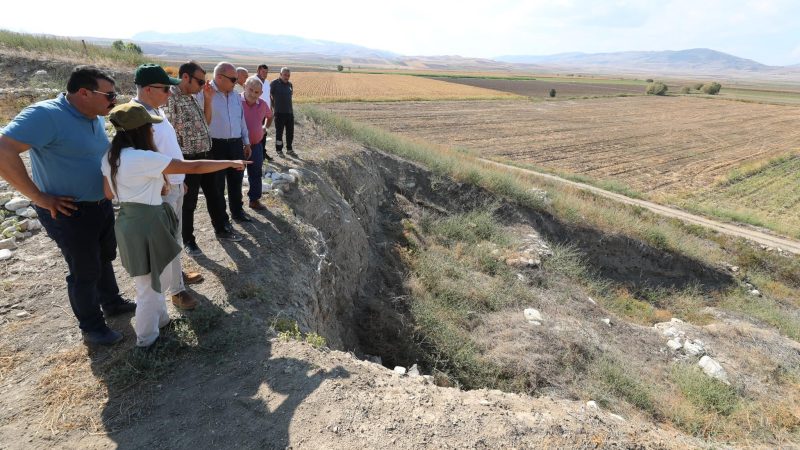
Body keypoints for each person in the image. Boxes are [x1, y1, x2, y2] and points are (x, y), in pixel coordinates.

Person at [0, 66, 135, 345]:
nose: (114, 100)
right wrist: (38, 197)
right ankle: (93, 328)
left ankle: (112, 302)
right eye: (109, 94)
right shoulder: (46, 115)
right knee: (84, 270)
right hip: (69, 211)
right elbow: (3, 149)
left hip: (99, 204)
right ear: (84, 93)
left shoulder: (93, 114)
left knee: (103, 257)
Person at [101, 102, 249, 349]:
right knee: (148, 287)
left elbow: (108, 193)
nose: (152, 131)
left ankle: (161, 322)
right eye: (150, 127)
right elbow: (194, 167)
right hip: (148, 223)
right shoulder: (142, 157)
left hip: (129, 221)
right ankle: (147, 342)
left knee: (152, 278)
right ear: (140, 130)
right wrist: (230, 162)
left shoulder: (110, 156)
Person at [131, 64, 202, 311]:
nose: (170, 93)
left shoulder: (156, 111)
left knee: (177, 236)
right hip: (160, 190)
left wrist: (179, 182)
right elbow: (144, 157)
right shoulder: (137, 116)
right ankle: (177, 292)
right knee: (168, 241)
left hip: (174, 185)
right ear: (148, 89)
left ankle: (178, 278)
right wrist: (167, 182)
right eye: (165, 89)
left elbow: (168, 148)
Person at [165, 61, 241, 252]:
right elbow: (168, 133)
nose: (202, 86)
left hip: (206, 153)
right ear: (185, 77)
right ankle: (188, 239)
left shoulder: (193, 96)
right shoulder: (170, 98)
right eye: (200, 82)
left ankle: (222, 227)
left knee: (215, 194)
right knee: (189, 201)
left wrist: (207, 99)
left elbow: (206, 123)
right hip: (187, 159)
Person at [196, 62, 253, 223]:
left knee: (236, 180)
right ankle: (221, 220)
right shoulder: (204, 94)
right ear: (219, 77)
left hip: (235, 144)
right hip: (215, 146)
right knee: (217, 185)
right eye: (233, 79)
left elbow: (240, 119)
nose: (237, 83)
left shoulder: (235, 95)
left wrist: (246, 142)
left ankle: (237, 212)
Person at [241, 76, 269, 210]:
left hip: (256, 145)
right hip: (238, 146)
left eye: (256, 92)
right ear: (244, 86)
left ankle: (254, 200)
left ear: (261, 94)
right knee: (237, 175)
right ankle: (236, 205)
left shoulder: (263, 104)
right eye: (250, 89)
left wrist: (265, 127)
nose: (252, 94)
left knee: (256, 173)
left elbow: (270, 116)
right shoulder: (235, 101)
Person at [270, 67, 296, 158]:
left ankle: (289, 149)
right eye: (284, 75)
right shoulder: (274, 84)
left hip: (289, 113)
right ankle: (279, 150)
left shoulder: (290, 85)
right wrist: (272, 107)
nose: (286, 77)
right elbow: (269, 96)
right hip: (279, 113)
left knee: (290, 132)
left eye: (288, 75)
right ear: (280, 74)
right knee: (279, 133)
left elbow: (289, 97)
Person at [255, 64, 274, 161]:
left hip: (265, 112)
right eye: (263, 72)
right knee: (256, 133)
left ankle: (263, 153)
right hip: (256, 111)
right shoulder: (253, 80)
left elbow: (268, 97)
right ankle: (257, 154)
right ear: (258, 71)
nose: (265, 74)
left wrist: (270, 109)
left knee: (264, 132)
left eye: (267, 72)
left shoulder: (267, 82)